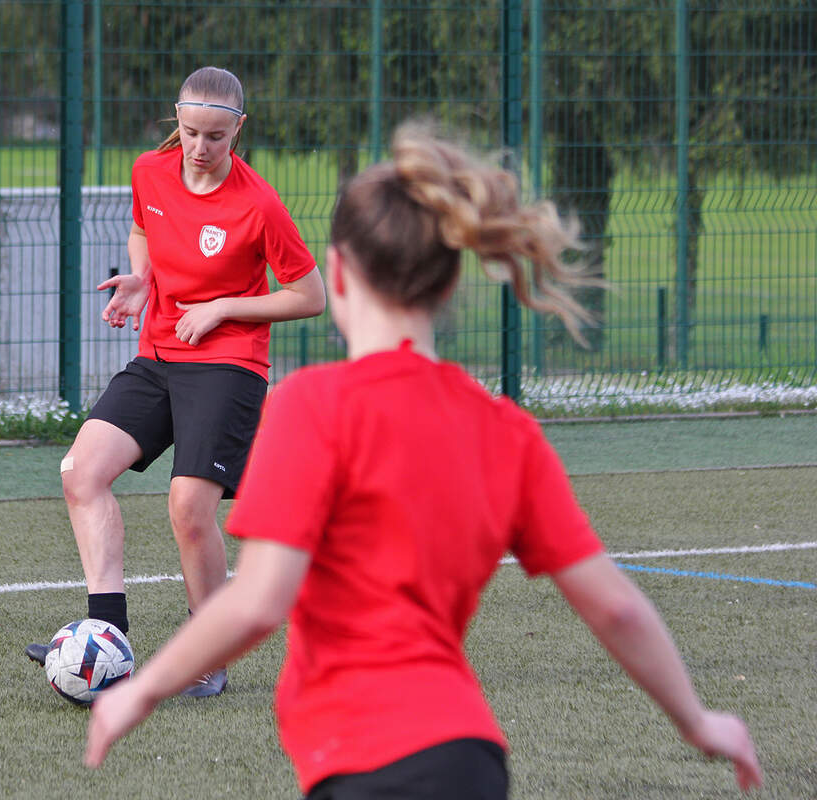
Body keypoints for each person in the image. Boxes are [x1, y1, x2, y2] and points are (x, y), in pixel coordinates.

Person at [82, 122, 763, 796]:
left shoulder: (311, 406)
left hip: (357, 763)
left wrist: (142, 693)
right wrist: (698, 721)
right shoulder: (507, 430)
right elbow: (617, 610)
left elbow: (259, 603)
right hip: (470, 759)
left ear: (340, 273)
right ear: (447, 284)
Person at [24, 66, 326, 697]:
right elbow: (143, 230)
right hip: (160, 355)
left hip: (229, 363)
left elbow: (309, 295)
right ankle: (107, 638)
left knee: (189, 509)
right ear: (176, 121)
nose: (200, 148)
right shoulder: (149, 172)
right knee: (81, 472)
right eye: (190, 132)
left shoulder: (258, 203)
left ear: (237, 131)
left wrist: (224, 307)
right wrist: (141, 279)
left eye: (216, 136)